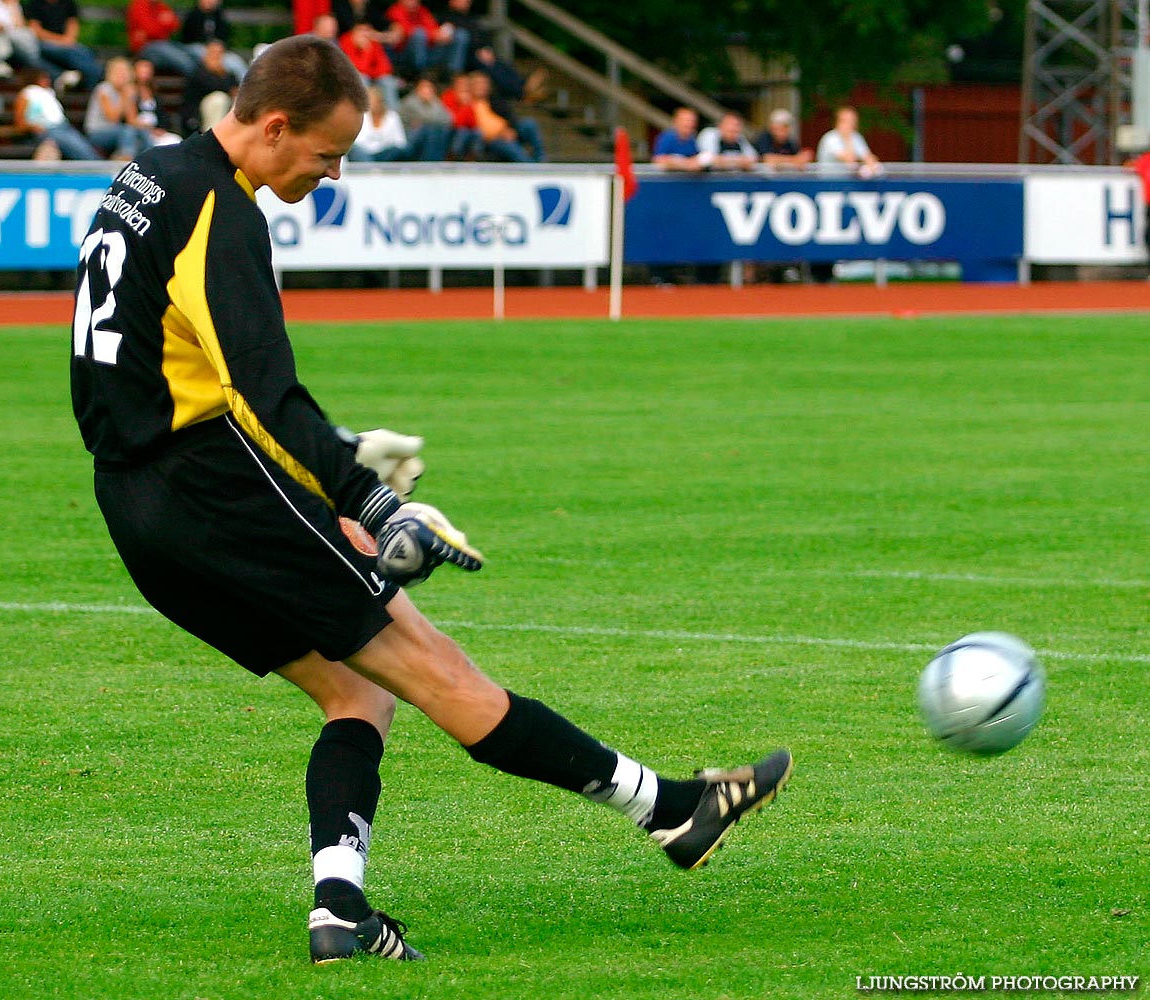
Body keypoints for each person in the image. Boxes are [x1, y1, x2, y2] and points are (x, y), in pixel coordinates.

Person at [70, 33, 793, 965]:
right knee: (436, 669)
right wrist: (369, 502)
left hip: (136, 507)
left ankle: (339, 906)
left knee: (357, 692)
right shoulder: (226, 217)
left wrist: (332, 466)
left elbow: (169, 362)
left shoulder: (148, 174)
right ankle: (671, 810)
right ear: (276, 125)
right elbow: (261, 393)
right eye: (327, 155)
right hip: (209, 485)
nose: (331, 177)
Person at [12, 65, 98, 157]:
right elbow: (20, 122)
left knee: (83, 146)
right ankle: (98, 167)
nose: (48, 80)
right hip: (48, 130)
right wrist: (34, 127)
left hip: (64, 127)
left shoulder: (48, 92)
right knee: (77, 148)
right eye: (44, 78)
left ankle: (98, 165)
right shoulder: (26, 94)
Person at [84, 55, 153, 159]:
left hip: (120, 130)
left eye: (125, 72)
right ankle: (125, 159)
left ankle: (149, 158)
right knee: (127, 131)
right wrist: (124, 97)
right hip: (97, 131)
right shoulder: (104, 89)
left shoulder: (129, 90)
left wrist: (146, 126)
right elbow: (112, 118)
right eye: (118, 72)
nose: (122, 76)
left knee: (141, 132)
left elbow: (131, 120)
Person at [469, 68, 543, 162]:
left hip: (508, 132)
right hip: (491, 141)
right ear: (471, 86)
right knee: (510, 146)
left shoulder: (495, 100)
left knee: (529, 124)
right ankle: (531, 169)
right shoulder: (469, 105)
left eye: (484, 83)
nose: (482, 86)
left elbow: (510, 116)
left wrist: (509, 130)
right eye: (478, 83)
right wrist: (500, 133)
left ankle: (541, 159)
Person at [22, 0, 101, 88]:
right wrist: (60, 40)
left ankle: (87, 80)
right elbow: (36, 30)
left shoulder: (69, 3)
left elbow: (73, 25)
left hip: (67, 44)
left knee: (86, 52)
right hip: (44, 44)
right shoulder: (35, 4)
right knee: (75, 54)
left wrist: (67, 40)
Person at [179, 0, 247, 83]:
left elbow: (225, 37)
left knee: (235, 62)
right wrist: (210, 48)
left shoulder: (219, 16)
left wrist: (218, 47)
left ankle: (247, 88)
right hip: (196, 48)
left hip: (218, 51)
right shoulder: (192, 15)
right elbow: (188, 38)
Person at [127, 0, 197, 78]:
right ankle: (199, 80)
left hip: (164, 44)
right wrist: (163, 23)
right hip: (145, 49)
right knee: (182, 59)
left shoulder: (160, 5)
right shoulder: (139, 5)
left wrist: (158, 24)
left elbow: (175, 25)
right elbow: (151, 30)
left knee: (196, 50)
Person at [384, 0, 455, 77]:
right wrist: (433, 35)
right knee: (419, 34)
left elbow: (433, 27)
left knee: (452, 36)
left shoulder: (421, 10)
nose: (414, 2)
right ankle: (421, 73)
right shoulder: (395, 11)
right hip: (403, 53)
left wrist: (440, 35)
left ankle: (452, 73)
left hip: (426, 50)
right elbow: (408, 32)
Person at [338, 20, 398, 112]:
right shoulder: (346, 41)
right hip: (351, 78)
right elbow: (356, 69)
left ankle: (393, 117)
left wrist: (374, 73)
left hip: (372, 76)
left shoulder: (373, 42)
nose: (364, 34)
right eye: (360, 30)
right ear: (353, 32)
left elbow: (386, 67)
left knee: (388, 81)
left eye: (366, 30)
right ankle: (365, 115)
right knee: (362, 78)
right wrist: (366, 51)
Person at [180, 37, 234, 133]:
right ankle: (211, 137)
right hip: (197, 116)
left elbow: (234, 89)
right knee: (218, 98)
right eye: (213, 52)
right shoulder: (198, 72)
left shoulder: (227, 74)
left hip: (224, 112)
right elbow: (213, 87)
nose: (216, 56)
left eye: (219, 52)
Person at [397, 73, 452, 161]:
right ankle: (429, 163)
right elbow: (427, 118)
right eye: (424, 87)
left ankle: (436, 163)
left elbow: (448, 119)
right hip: (409, 138)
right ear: (417, 88)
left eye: (429, 87)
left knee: (438, 130)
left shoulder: (435, 102)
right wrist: (433, 114)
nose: (427, 90)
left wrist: (433, 102)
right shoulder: (410, 102)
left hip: (428, 135)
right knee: (429, 129)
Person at [816, 105, 881, 177]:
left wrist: (871, 164)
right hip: (828, 182)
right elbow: (850, 161)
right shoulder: (830, 138)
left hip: (848, 182)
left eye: (853, 120)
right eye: (847, 121)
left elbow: (868, 157)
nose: (851, 124)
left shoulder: (856, 137)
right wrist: (847, 137)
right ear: (838, 122)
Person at [346, 85, 408, 161]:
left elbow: (400, 142)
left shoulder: (392, 116)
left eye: (374, 100)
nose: (372, 104)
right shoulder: (361, 116)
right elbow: (358, 142)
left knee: (398, 151)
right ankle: (371, 169)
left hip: (386, 153)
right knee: (355, 149)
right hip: (364, 153)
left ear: (381, 101)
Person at [132, 56, 182, 144]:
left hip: (156, 131)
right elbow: (130, 118)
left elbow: (162, 115)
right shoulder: (129, 91)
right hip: (138, 132)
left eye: (148, 69)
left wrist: (161, 129)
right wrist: (148, 129)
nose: (145, 72)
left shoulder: (155, 92)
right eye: (142, 68)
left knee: (175, 140)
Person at [441, 70, 480, 158]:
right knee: (463, 132)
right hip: (451, 131)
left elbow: (473, 122)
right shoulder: (448, 97)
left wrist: (467, 105)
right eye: (460, 83)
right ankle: (454, 157)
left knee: (477, 132)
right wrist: (463, 106)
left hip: (466, 130)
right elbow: (454, 122)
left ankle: (474, 158)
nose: (463, 86)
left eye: (466, 84)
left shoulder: (470, 98)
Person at [652, 106, 703, 171]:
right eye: (687, 120)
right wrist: (685, 164)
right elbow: (659, 159)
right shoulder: (667, 137)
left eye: (693, 121)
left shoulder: (692, 140)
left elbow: (696, 160)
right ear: (677, 121)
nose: (690, 123)